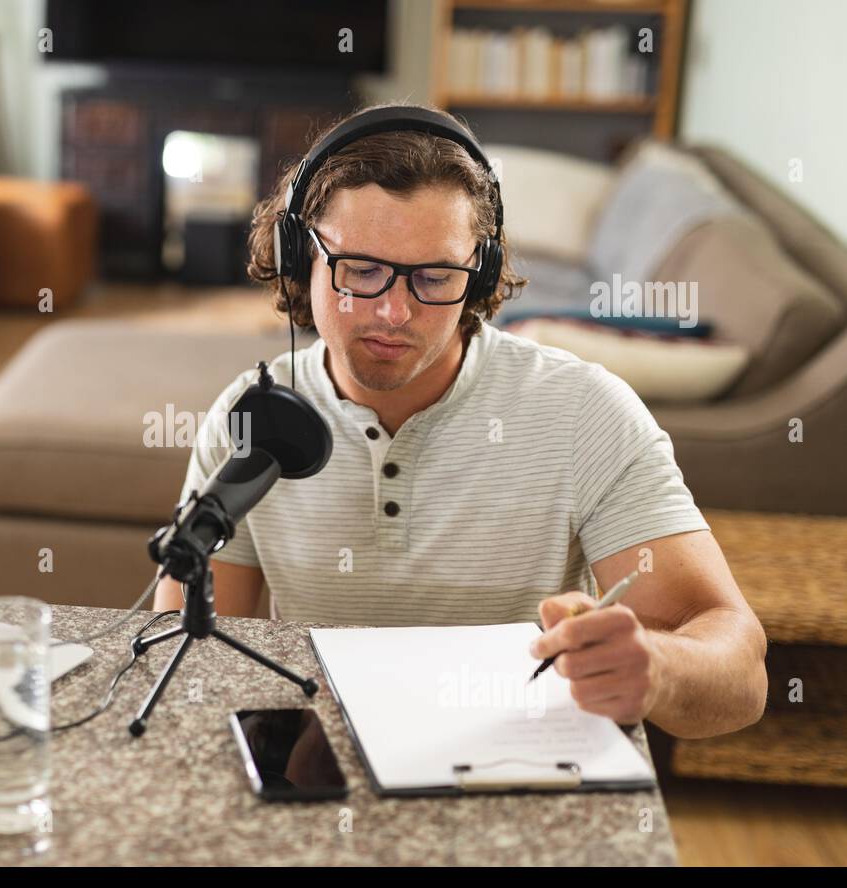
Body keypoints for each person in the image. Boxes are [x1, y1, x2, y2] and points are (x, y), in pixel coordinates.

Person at [154, 105, 766, 739]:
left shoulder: (587, 413)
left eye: (435, 277)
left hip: (516, 762)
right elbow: (189, 657)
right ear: (296, 257)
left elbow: (742, 674)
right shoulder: (252, 417)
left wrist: (660, 668)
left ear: (479, 275)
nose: (394, 312)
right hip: (319, 766)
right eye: (361, 270)